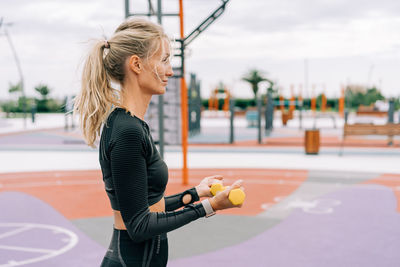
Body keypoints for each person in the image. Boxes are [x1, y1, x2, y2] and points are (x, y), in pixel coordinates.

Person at [74, 18, 244, 267]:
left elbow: (148, 207)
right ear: (137, 64)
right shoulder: (127, 131)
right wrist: (209, 206)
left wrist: (197, 193)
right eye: (164, 60)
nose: (170, 70)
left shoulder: (129, 124)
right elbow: (140, 226)